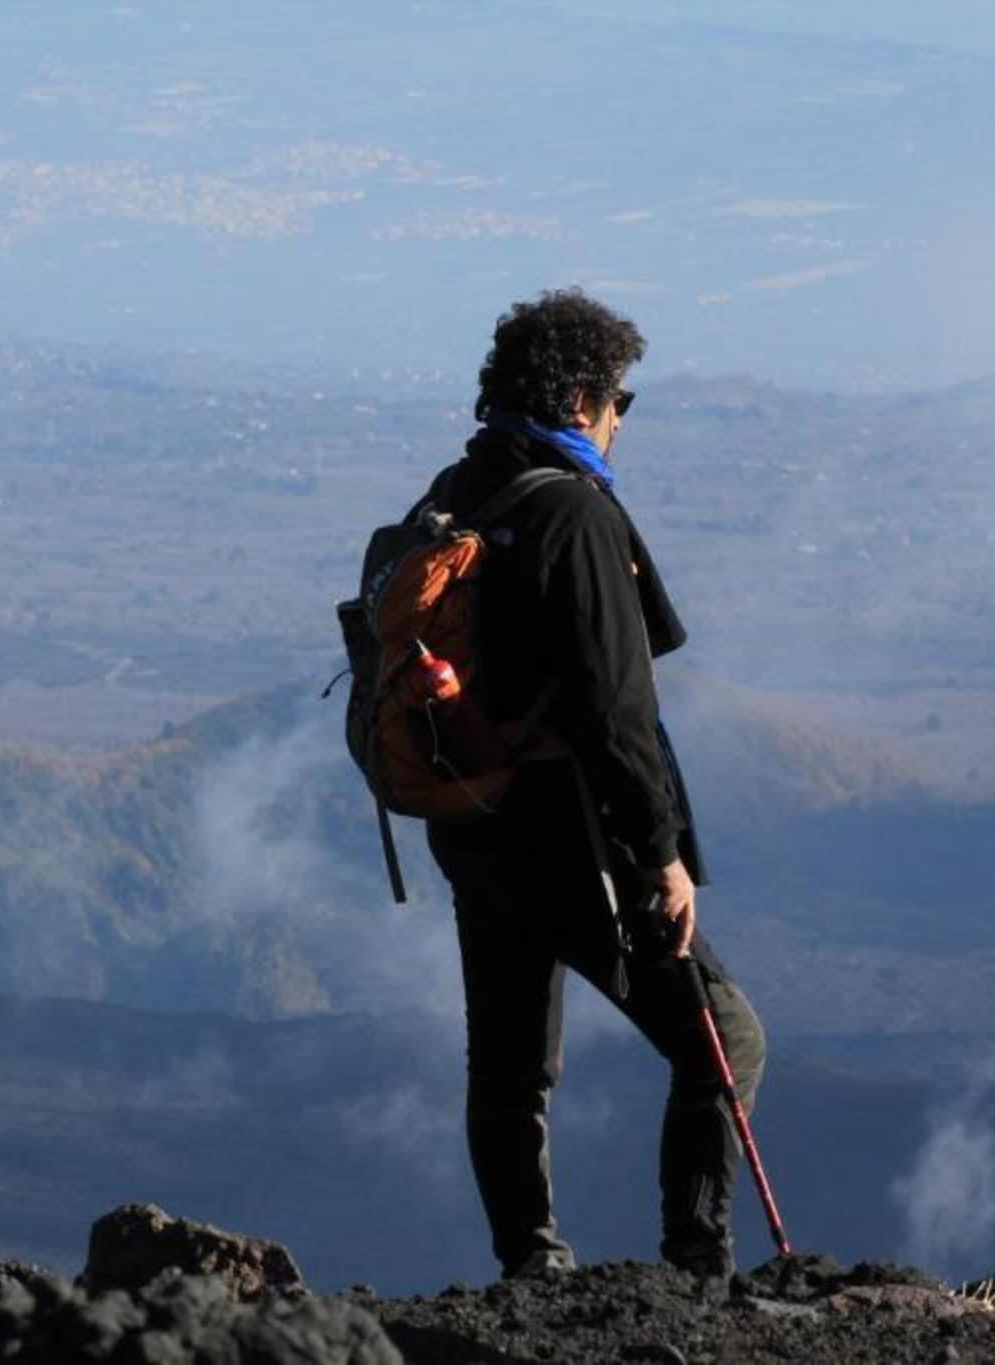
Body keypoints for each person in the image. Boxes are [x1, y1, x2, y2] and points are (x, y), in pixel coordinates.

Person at [422, 288, 766, 1283]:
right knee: (725, 1038)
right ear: (580, 401)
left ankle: (531, 1262)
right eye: (620, 401)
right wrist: (660, 855)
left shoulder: (458, 490)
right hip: (573, 835)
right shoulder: (570, 513)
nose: (620, 421)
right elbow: (616, 711)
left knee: (507, 1062)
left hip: (473, 819)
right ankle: (698, 1264)